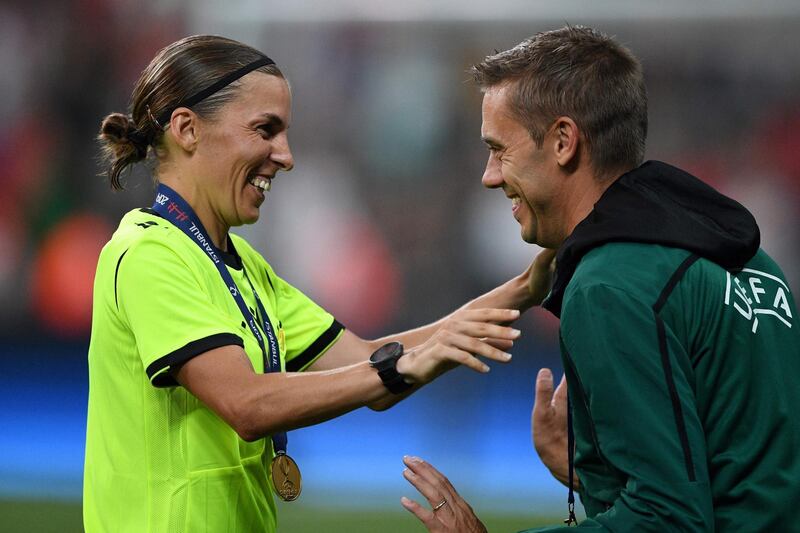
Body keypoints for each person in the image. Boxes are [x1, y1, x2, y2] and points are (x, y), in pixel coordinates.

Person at [84, 35, 554, 533]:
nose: (285, 156)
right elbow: (246, 403)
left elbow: (367, 362)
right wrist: (403, 364)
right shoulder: (147, 254)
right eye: (265, 130)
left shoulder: (239, 263)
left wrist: (526, 287)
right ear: (187, 129)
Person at [401, 25, 800, 532]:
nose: (489, 175)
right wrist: (588, 472)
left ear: (564, 141)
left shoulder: (608, 285)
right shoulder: (749, 260)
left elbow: (670, 521)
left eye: (500, 149)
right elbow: (733, 474)